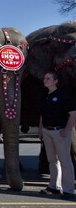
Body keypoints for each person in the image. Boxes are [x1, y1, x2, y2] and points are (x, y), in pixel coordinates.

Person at [38, 71, 76, 199]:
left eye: (48, 78)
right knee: (52, 160)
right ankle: (54, 186)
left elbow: (73, 114)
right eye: (45, 78)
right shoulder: (45, 95)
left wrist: (67, 130)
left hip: (59, 131)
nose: (45, 80)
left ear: (55, 81)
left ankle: (69, 190)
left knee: (65, 160)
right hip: (47, 131)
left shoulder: (62, 96)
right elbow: (42, 114)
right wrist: (41, 130)